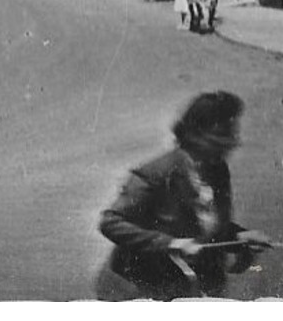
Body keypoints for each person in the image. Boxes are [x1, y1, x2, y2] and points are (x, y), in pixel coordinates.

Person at [98, 91, 271, 299]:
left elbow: (203, 223)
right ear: (197, 134)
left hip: (190, 284)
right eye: (223, 135)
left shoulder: (217, 170)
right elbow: (111, 222)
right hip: (139, 286)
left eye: (232, 135)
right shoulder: (157, 173)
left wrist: (238, 236)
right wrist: (170, 243)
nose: (232, 143)